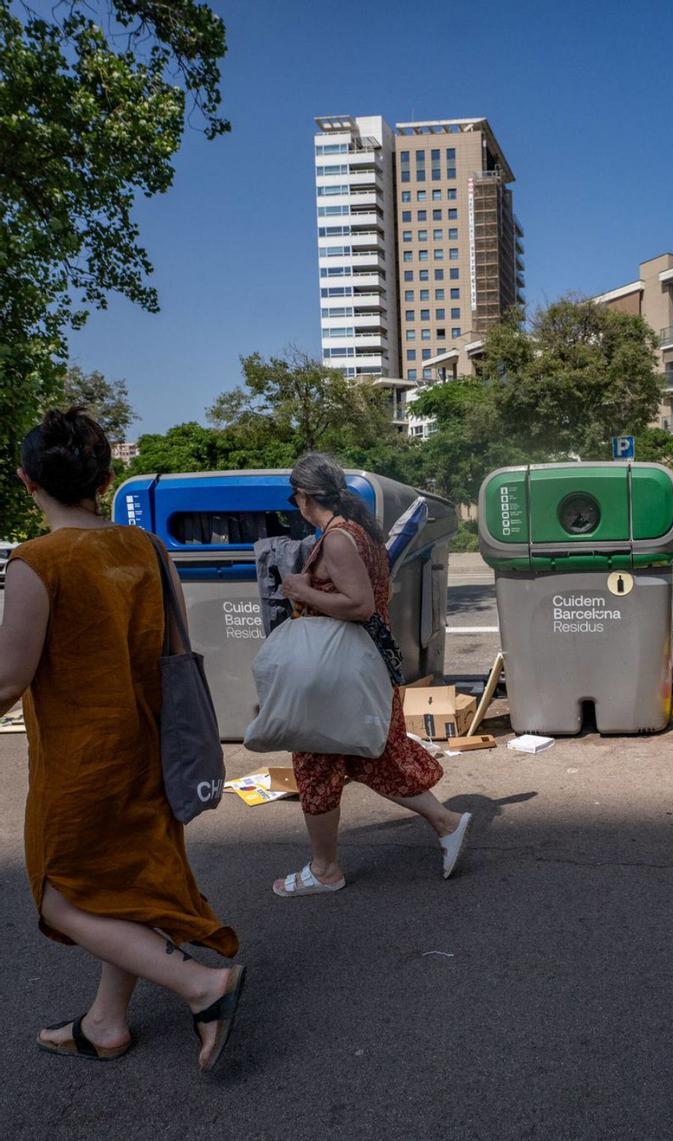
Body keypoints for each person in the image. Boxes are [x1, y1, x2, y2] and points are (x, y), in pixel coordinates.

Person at [0, 408, 245, 1072]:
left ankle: (203, 985)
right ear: (105, 478)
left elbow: (7, 679)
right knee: (130, 881)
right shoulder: (148, 548)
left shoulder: (35, 561)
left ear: (28, 482)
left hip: (82, 763)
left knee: (61, 891)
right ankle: (106, 1021)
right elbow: (179, 649)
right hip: (151, 747)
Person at [273, 452, 471, 897]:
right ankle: (447, 822)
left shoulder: (339, 539)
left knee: (316, 764)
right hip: (361, 668)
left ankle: (324, 869)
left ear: (305, 497)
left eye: (294, 497)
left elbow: (359, 605)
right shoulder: (359, 533)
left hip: (342, 671)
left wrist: (301, 588)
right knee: (368, 756)